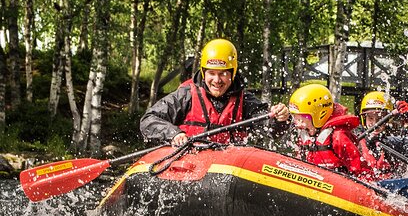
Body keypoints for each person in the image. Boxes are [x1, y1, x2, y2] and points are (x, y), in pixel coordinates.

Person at [140, 38, 290, 146]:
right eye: (211, 73)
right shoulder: (186, 95)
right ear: (204, 73)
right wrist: (174, 134)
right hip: (190, 164)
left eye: (223, 73)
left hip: (228, 168)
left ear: (233, 73)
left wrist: (280, 119)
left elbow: (271, 129)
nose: (217, 80)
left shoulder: (245, 101)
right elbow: (149, 119)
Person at [288, 83, 370, 177]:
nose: (297, 123)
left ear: (319, 115)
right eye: (295, 117)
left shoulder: (338, 137)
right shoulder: (305, 135)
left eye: (301, 118)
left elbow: (361, 170)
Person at [356, 91, 408, 180]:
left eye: (380, 118)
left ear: (387, 120)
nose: (374, 124)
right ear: (363, 118)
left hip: (387, 187)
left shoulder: (392, 142)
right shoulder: (355, 139)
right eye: (370, 118)